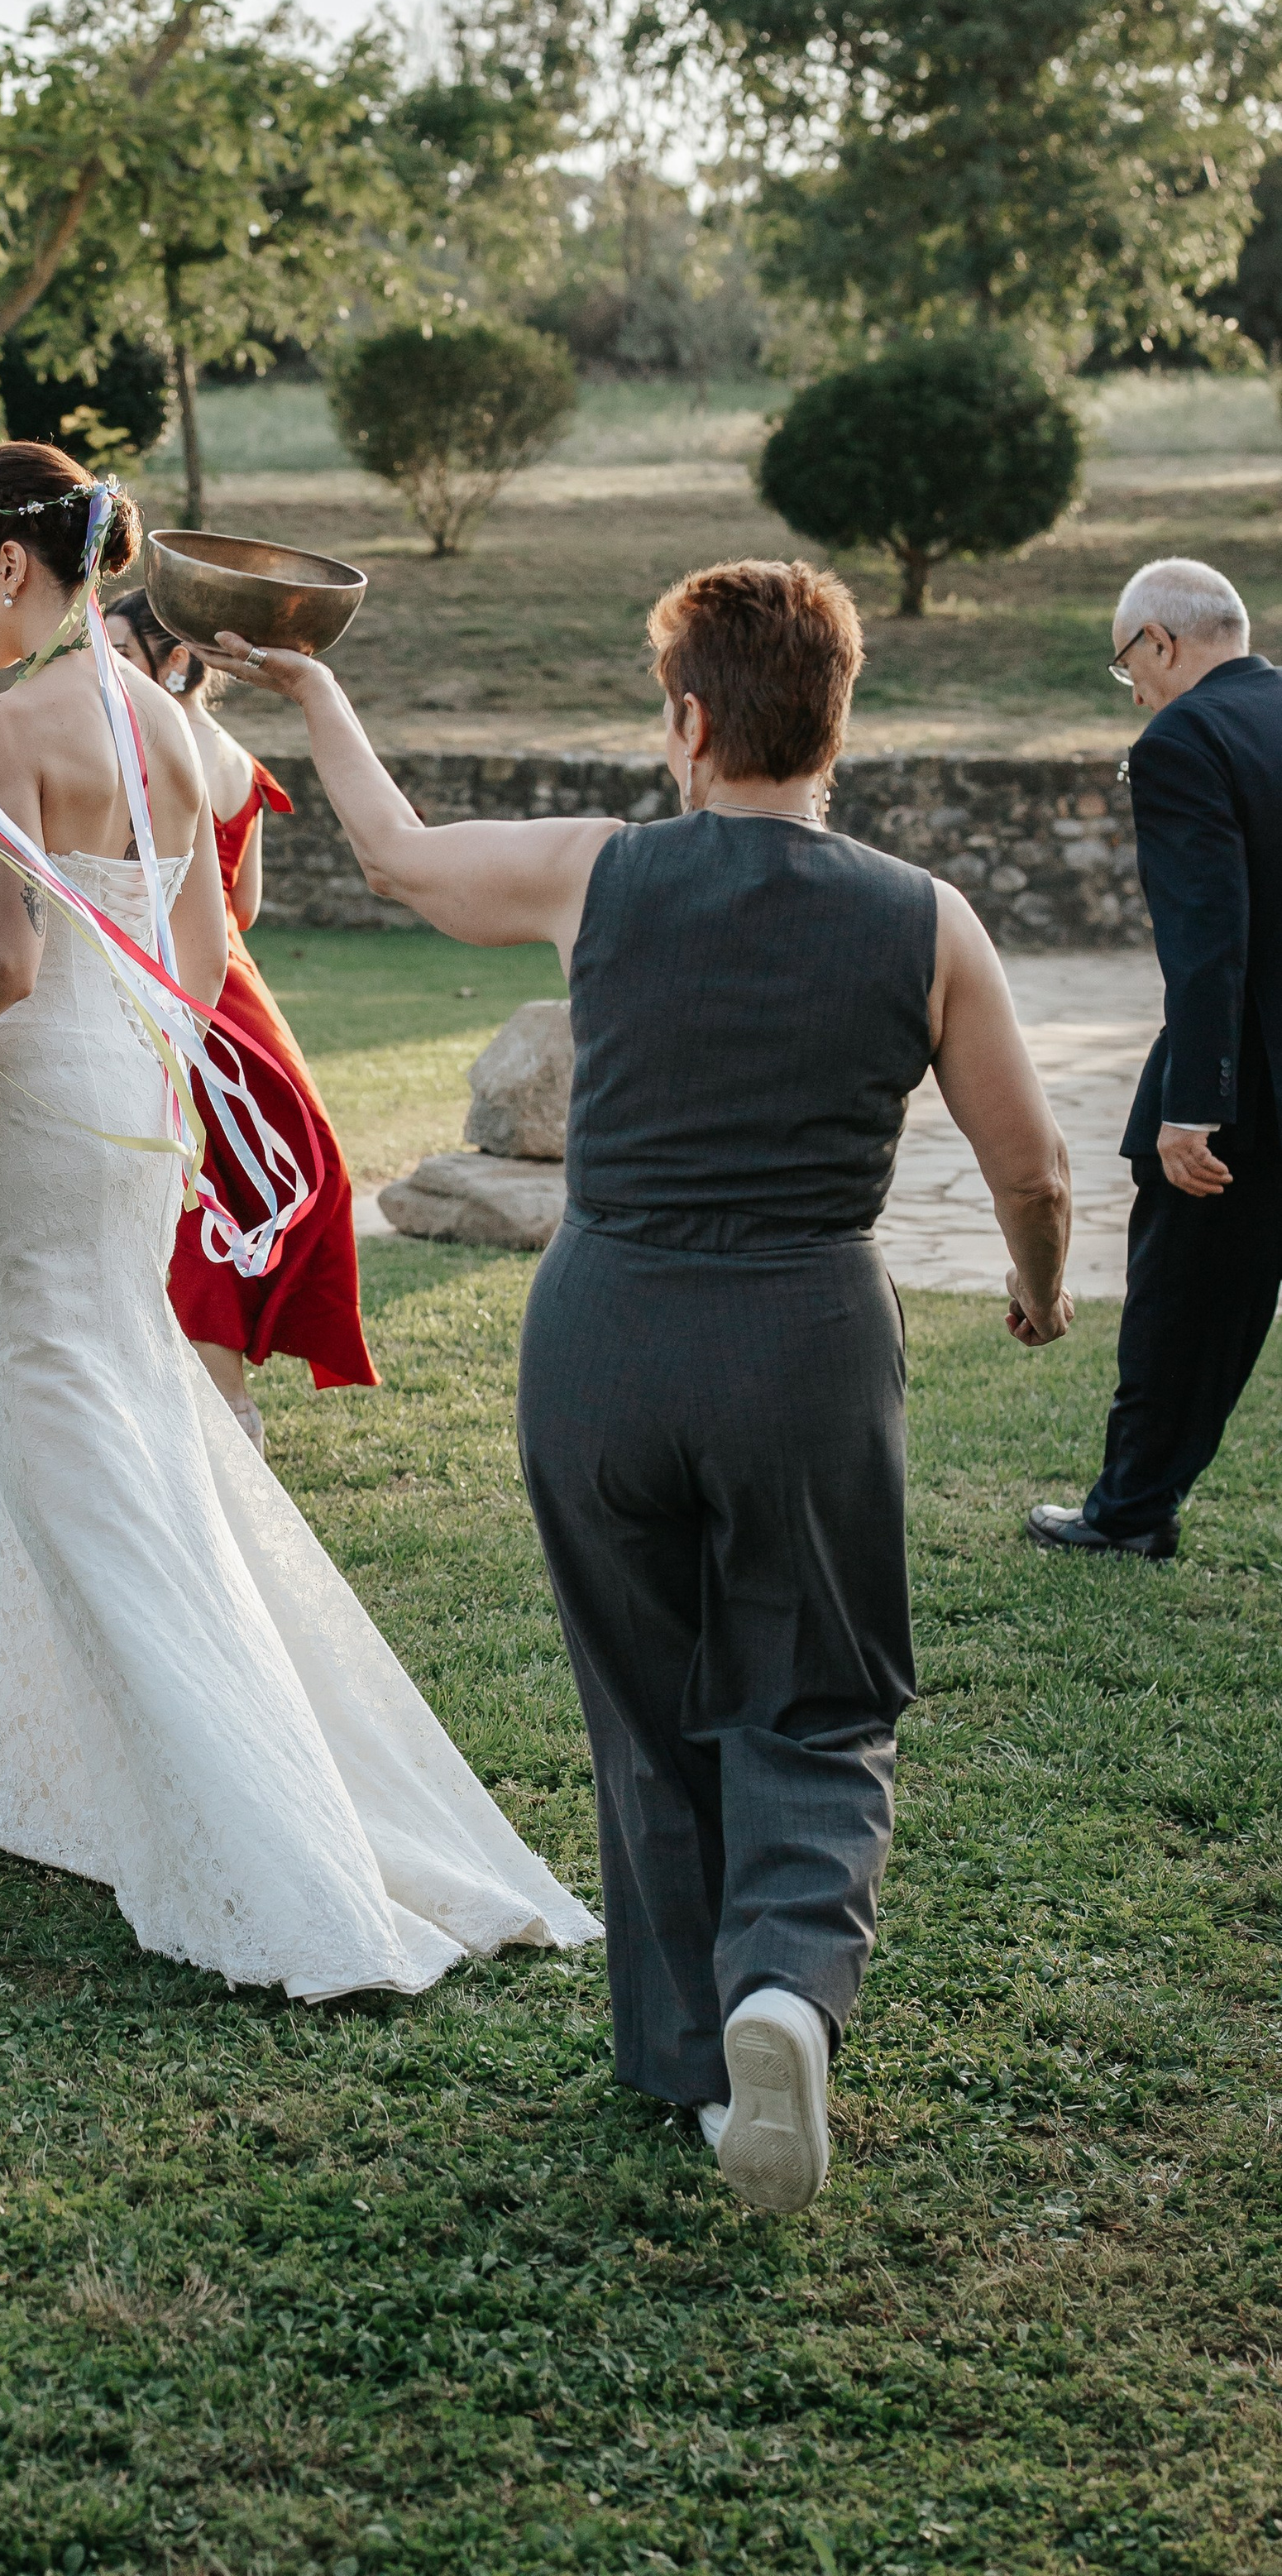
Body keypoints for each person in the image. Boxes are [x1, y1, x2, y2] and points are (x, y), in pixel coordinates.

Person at [210, 558, 1072, 2211]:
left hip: (600, 1332)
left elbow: (391, 857)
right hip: (806, 1338)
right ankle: (779, 1994)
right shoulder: (922, 918)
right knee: (813, 1696)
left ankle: (694, 2065)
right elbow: (1027, 1169)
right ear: (836, 719)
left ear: (684, 720)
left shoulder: (598, 877)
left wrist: (313, 693)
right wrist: (1031, 1295)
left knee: (648, 1704)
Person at [0, 443, 597, 2002]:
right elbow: (202, 955)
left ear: (11, 565)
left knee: (61, 1418)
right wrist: (154, 1089)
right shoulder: (176, 730)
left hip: (47, 1093)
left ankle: (262, 1833)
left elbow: (3, 967)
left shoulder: (3, 723)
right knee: (94, 1395)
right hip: (144, 1098)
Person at [1029, 557, 1282, 1563]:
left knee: (1181, 1305)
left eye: (1124, 661)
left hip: (1246, 1090)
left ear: (1160, 644)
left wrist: (1193, 1105)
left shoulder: (1183, 737)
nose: (1129, 685)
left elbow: (1206, 937)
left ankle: (1130, 1514)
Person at [103, 586, 377, 1447]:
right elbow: (244, 904)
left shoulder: (151, 747)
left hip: (171, 981)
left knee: (185, 1182)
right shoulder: (235, 757)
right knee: (213, 1177)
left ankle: (222, 1404)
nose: (103, 666)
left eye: (118, 649)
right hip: (240, 990)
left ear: (175, 660)